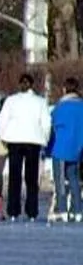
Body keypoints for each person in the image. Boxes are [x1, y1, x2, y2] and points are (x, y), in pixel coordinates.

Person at [0, 72, 50, 222]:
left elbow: (2, 120)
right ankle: (32, 211)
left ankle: (13, 210)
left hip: (15, 140)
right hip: (33, 141)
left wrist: (4, 137)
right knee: (31, 178)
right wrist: (44, 139)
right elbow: (46, 123)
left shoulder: (11, 101)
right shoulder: (40, 102)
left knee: (15, 176)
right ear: (32, 85)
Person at [50, 79, 83, 223]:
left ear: (65, 89)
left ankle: (62, 209)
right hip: (77, 148)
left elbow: (53, 124)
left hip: (61, 148)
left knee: (60, 180)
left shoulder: (60, 107)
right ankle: (78, 209)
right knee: (74, 179)